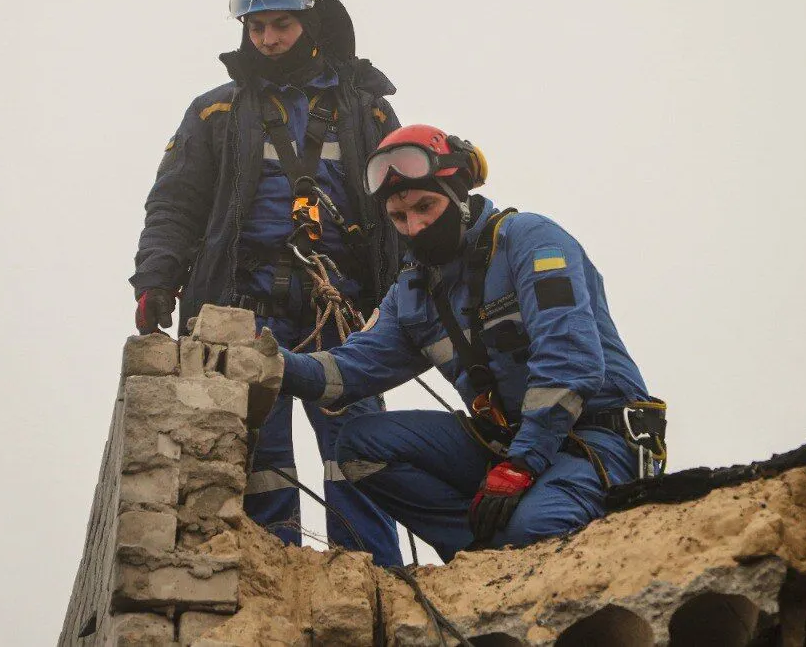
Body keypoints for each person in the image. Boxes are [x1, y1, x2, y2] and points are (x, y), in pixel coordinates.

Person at [277, 125, 665, 561]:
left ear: (458, 195)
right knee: (359, 444)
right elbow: (345, 372)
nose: (416, 226)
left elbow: (570, 363)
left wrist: (521, 465)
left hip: (596, 437)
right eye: (400, 218)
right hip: (507, 447)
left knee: (536, 529)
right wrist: (272, 365)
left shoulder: (530, 241)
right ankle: (478, 554)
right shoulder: (412, 293)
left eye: (426, 206)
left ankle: (515, 535)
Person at [131, 0, 403, 566]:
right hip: (244, 306)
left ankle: (372, 579)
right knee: (258, 458)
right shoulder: (215, 111)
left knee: (359, 449)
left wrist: (416, 298)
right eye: (256, 28)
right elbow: (174, 203)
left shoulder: (368, 109)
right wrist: (156, 280)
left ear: (308, 19)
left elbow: (404, 208)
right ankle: (270, 581)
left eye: (280, 23)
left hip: (344, 312)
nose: (269, 39)